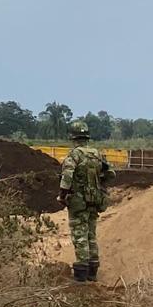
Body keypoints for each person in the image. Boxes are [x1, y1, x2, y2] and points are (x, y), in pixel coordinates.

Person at [58, 121, 111, 283]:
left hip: (78, 202)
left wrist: (63, 195)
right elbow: (111, 174)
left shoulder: (74, 155)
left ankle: (81, 273)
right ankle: (93, 271)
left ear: (73, 137)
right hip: (95, 200)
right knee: (91, 235)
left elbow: (67, 176)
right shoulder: (97, 154)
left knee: (79, 235)